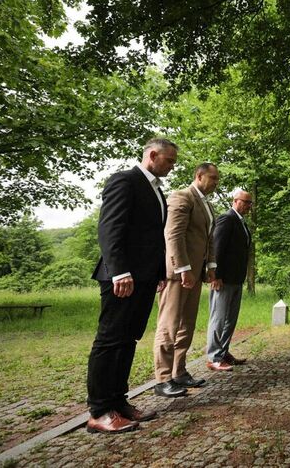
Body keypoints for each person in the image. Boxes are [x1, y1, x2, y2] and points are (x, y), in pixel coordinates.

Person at [86, 138, 178, 433]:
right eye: (170, 160)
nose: (172, 166)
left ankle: (119, 402)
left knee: (128, 340)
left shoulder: (157, 191)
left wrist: (159, 272)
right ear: (153, 155)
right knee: (110, 340)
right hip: (122, 278)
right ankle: (99, 411)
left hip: (145, 277)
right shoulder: (125, 181)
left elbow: (152, 237)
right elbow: (109, 228)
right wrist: (119, 271)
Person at [153, 163, 220, 397]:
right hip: (178, 274)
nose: (215, 183)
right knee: (169, 326)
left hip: (195, 273)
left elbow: (209, 239)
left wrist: (210, 266)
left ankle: (178, 372)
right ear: (199, 176)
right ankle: (162, 379)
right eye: (212, 178)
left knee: (186, 326)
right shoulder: (182, 197)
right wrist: (183, 268)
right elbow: (173, 235)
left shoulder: (207, 204)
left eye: (217, 179)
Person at [206, 189, 253, 371]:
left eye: (250, 203)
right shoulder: (227, 219)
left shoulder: (241, 222)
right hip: (223, 279)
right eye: (246, 202)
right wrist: (216, 275)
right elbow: (218, 248)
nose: (249, 206)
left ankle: (223, 352)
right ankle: (214, 357)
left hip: (236, 279)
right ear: (235, 201)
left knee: (230, 319)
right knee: (218, 318)